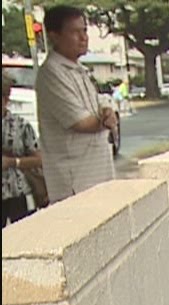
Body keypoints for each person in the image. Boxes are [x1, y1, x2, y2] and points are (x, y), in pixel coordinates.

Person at [35, 5, 117, 204]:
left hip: (96, 178)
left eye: (85, 31)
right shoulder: (52, 73)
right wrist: (105, 121)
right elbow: (81, 123)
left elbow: (99, 106)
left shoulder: (79, 70)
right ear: (54, 36)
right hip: (75, 185)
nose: (83, 38)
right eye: (75, 32)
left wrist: (106, 111)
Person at [2, 71, 42, 225]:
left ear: (6, 99)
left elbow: (39, 159)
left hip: (18, 194)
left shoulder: (20, 125)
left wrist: (13, 162)